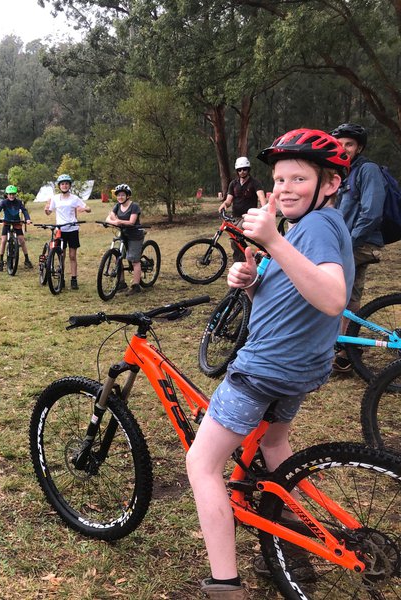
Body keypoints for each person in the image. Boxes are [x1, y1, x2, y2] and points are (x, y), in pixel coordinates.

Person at [186, 129, 354, 600]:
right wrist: (251, 277)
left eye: (299, 177)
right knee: (276, 448)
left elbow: (331, 296)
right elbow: (293, 286)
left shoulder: (317, 226)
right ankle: (294, 550)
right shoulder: (309, 227)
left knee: (201, 463)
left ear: (330, 184)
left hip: (265, 368)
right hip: (300, 367)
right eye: (279, 178)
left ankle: (224, 585)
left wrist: (275, 243)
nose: (285, 188)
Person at [330, 123, 386, 373]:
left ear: (359, 147)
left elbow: (371, 212)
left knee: (332, 290)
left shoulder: (367, 170)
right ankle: (344, 350)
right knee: (346, 295)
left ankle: (341, 350)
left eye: (349, 144)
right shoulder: (343, 173)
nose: (343, 148)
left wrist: (348, 241)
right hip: (347, 241)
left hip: (360, 243)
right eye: (339, 144)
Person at [44, 174, 91, 290]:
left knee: (72, 255)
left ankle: (74, 279)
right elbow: (49, 212)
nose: (64, 186)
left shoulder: (74, 198)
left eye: (66, 184)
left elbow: (89, 208)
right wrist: (46, 209)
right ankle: (62, 278)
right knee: (61, 255)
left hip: (72, 229)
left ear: (69, 185)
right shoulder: (55, 198)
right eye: (62, 184)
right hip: (60, 230)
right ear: (59, 186)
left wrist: (83, 209)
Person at [218, 157, 267, 262]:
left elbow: (262, 198)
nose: (242, 172)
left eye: (244, 169)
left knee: (235, 238)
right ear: (237, 171)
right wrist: (224, 204)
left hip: (248, 217)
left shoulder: (255, 183)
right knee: (235, 240)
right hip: (235, 217)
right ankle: (250, 258)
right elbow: (229, 200)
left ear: (248, 169)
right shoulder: (233, 184)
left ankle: (240, 261)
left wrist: (264, 210)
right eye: (239, 170)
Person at [104, 183, 145, 295]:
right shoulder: (117, 206)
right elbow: (109, 217)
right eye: (118, 195)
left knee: (134, 260)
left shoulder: (134, 206)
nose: (120, 197)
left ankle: (136, 286)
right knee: (117, 257)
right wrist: (115, 221)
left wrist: (118, 221)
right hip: (123, 233)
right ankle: (121, 283)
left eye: (122, 195)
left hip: (134, 235)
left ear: (128, 196)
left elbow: (131, 222)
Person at [0, 185, 33, 271]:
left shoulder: (19, 202)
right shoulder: (4, 202)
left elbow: (24, 211)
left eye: (13, 194)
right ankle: (1, 260)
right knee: (3, 241)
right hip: (7, 222)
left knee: (22, 240)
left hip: (16, 222)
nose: (11, 196)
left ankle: (27, 259)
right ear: (7, 194)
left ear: (15, 194)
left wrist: (28, 219)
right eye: (10, 194)